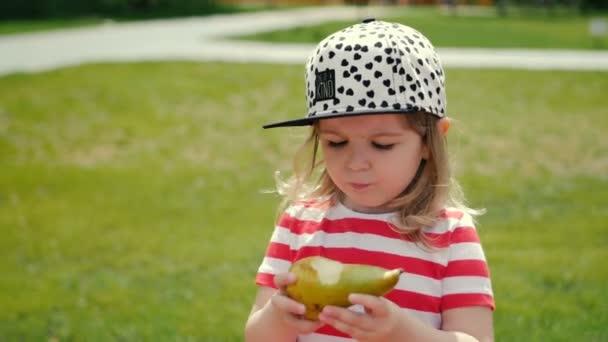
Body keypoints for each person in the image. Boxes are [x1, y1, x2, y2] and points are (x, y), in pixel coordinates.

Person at [245, 19, 495, 342]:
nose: (356, 163)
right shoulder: (298, 225)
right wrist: (278, 320)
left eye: (382, 144)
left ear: (430, 143)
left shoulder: (449, 236)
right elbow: (256, 336)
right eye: (336, 142)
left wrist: (403, 334)